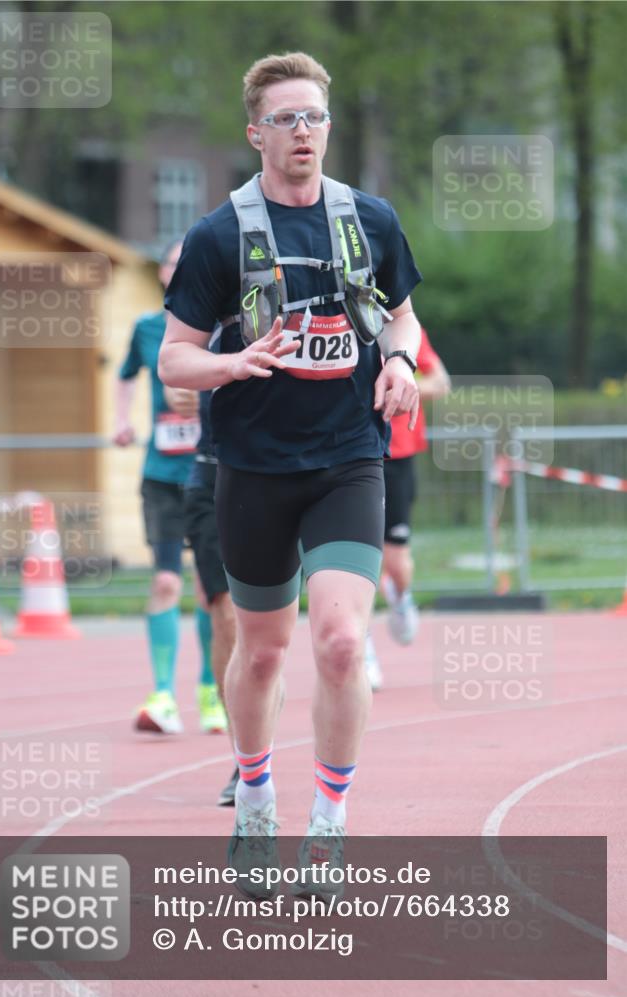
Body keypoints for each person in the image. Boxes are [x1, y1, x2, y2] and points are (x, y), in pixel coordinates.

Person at [159, 52, 422, 894]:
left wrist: (402, 364)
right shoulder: (217, 236)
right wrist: (232, 366)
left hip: (348, 458)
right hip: (254, 466)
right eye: (286, 119)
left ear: (327, 128)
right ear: (255, 134)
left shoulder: (369, 220)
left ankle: (330, 823)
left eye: (313, 117)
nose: (303, 131)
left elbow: (400, 319)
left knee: (342, 642)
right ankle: (257, 799)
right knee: (263, 653)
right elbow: (173, 359)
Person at [113, 242, 228, 737]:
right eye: (172, 264)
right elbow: (125, 377)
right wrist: (121, 421)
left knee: (210, 590)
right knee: (164, 582)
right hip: (162, 473)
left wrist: (205, 394)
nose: (180, 271)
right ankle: (162, 693)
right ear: (161, 273)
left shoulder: (224, 324)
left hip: (211, 471)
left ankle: (209, 689)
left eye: (188, 262)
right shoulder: (146, 328)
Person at [364, 328, 451, 690]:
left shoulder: (403, 329)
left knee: (395, 563)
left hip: (397, 455)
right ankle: (360, 649)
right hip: (353, 455)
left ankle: (400, 595)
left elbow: (440, 382)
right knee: (358, 560)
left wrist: (400, 386)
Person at [183, 328, 240, 805]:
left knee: (267, 634)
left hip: (282, 476)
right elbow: (175, 381)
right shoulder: (197, 316)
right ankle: (245, 759)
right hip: (210, 475)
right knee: (225, 614)